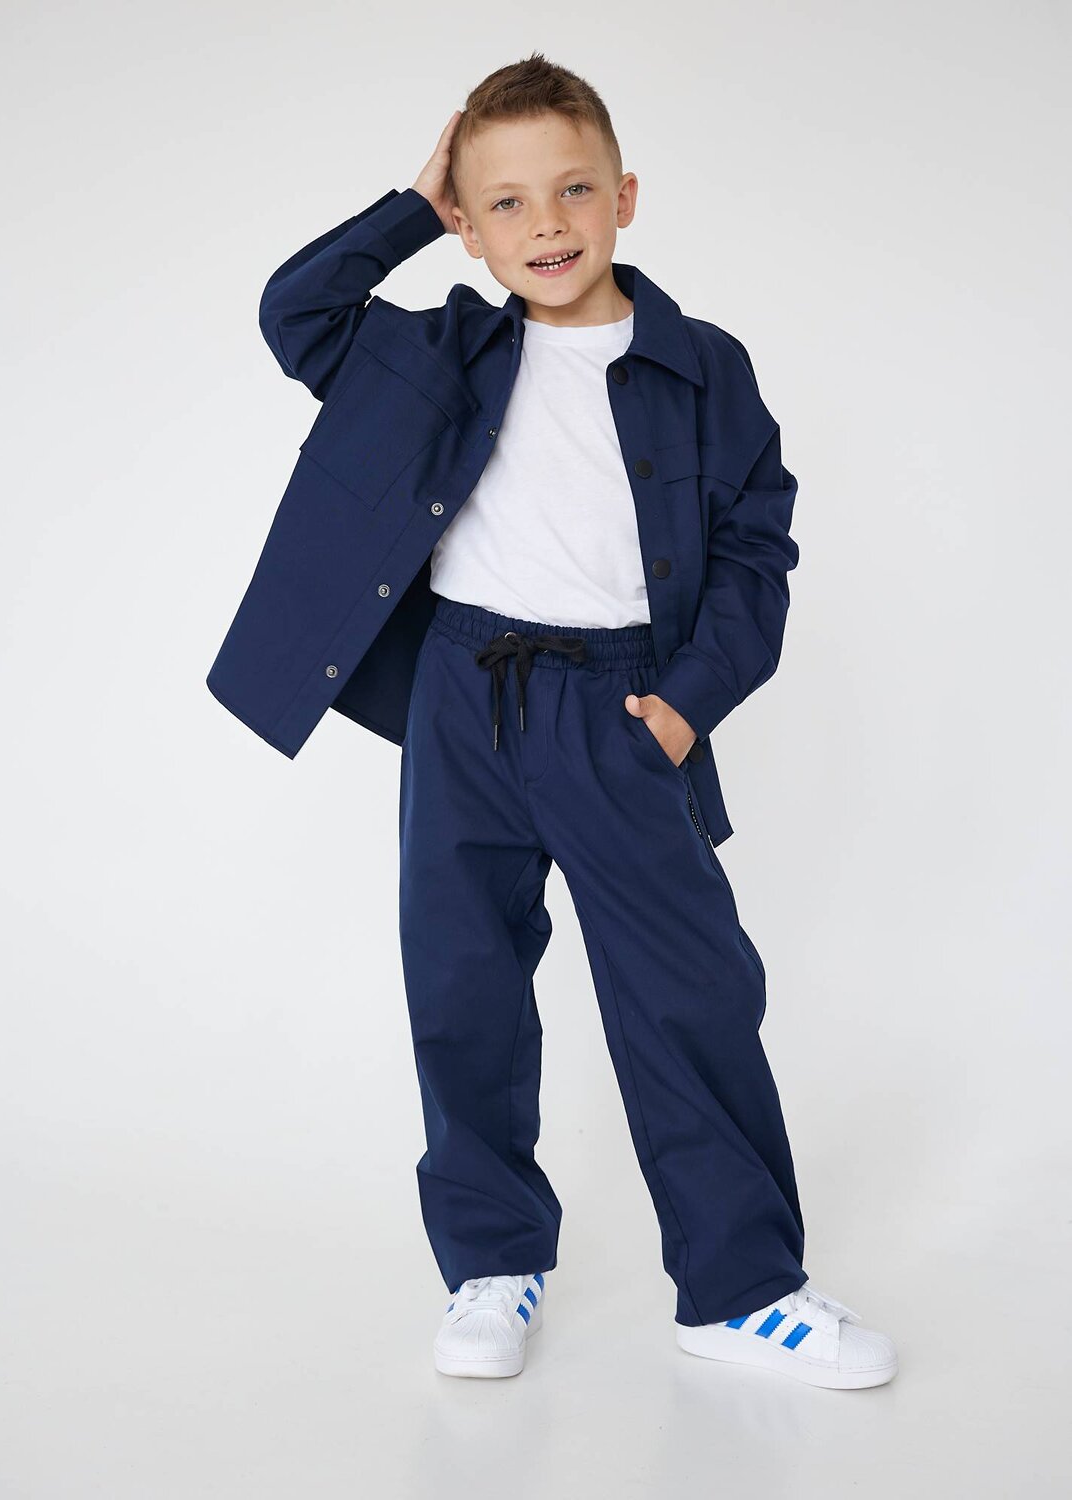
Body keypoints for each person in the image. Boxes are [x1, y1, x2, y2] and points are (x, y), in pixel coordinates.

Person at [206, 52, 898, 1390]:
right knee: (462, 988)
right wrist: (412, 206)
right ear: (468, 226)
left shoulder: (703, 367)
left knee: (690, 994)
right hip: (460, 700)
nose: (547, 224)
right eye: (505, 202)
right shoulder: (435, 352)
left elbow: (755, 552)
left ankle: (741, 1290)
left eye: (574, 189)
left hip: (620, 710)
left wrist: (680, 712)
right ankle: (492, 1265)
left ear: (625, 195)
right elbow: (297, 310)